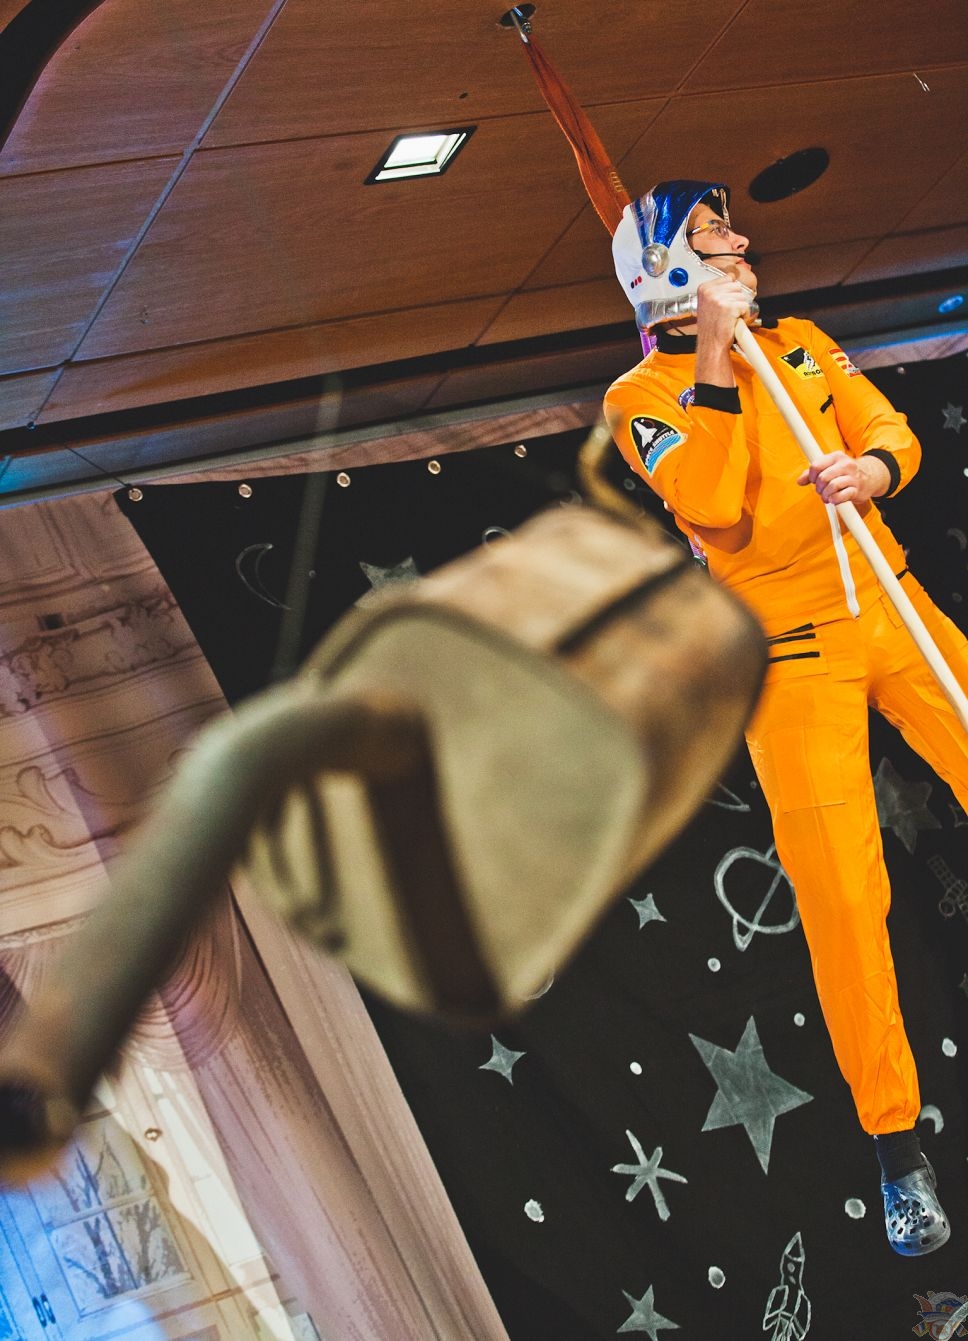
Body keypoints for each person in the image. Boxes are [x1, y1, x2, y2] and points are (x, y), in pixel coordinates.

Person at [603, 179, 968, 1258]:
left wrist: (872, 468)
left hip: (891, 605)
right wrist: (716, 353)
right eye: (716, 232)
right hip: (788, 658)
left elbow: (890, 428)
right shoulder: (641, 397)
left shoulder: (802, 342)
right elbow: (713, 504)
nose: (743, 238)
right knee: (845, 898)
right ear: (670, 268)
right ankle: (895, 1146)